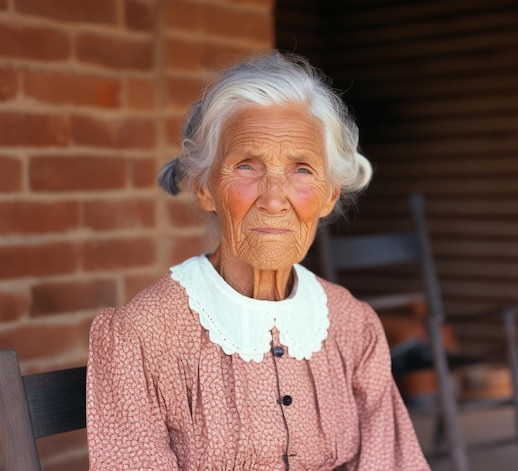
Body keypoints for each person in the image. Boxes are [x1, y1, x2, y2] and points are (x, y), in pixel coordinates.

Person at [87, 51, 431, 470]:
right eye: (247, 166)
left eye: (301, 169)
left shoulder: (353, 326)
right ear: (204, 188)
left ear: (329, 196)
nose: (273, 199)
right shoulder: (140, 336)